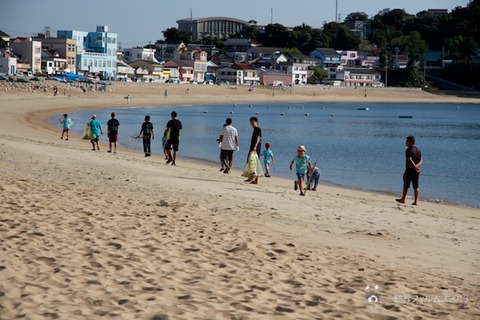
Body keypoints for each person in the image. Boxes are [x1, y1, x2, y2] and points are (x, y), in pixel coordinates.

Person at [396, 135, 423, 205]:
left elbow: (409, 159)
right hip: (416, 171)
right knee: (416, 186)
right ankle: (415, 201)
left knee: (406, 185)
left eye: (407, 141)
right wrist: (417, 166)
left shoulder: (408, 150)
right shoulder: (418, 150)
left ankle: (403, 199)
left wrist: (414, 166)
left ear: (411, 142)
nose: (406, 142)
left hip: (409, 170)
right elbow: (421, 159)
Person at [245, 116, 262, 184]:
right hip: (253, 147)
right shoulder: (255, 129)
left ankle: (255, 180)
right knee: (250, 162)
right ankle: (251, 177)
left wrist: (255, 146)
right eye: (250, 122)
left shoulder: (258, 129)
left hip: (256, 148)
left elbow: (258, 138)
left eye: (253, 122)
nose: (251, 124)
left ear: (256, 122)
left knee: (255, 163)